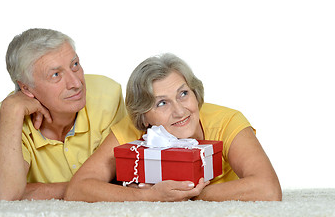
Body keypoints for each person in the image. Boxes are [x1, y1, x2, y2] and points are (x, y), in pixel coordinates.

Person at [64, 53, 282, 202]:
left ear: (195, 92)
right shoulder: (129, 129)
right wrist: (148, 197)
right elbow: (78, 189)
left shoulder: (228, 121)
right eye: (162, 103)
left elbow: (267, 189)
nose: (179, 111)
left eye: (183, 94)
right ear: (143, 116)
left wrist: (189, 195)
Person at [0, 28, 126, 201]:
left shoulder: (107, 96)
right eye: (56, 75)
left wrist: (31, 191)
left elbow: (122, 180)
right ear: (26, 88)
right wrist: (11, 110)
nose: (76, 83)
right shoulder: (10, 113)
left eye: (75, 65)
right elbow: (3, 194)